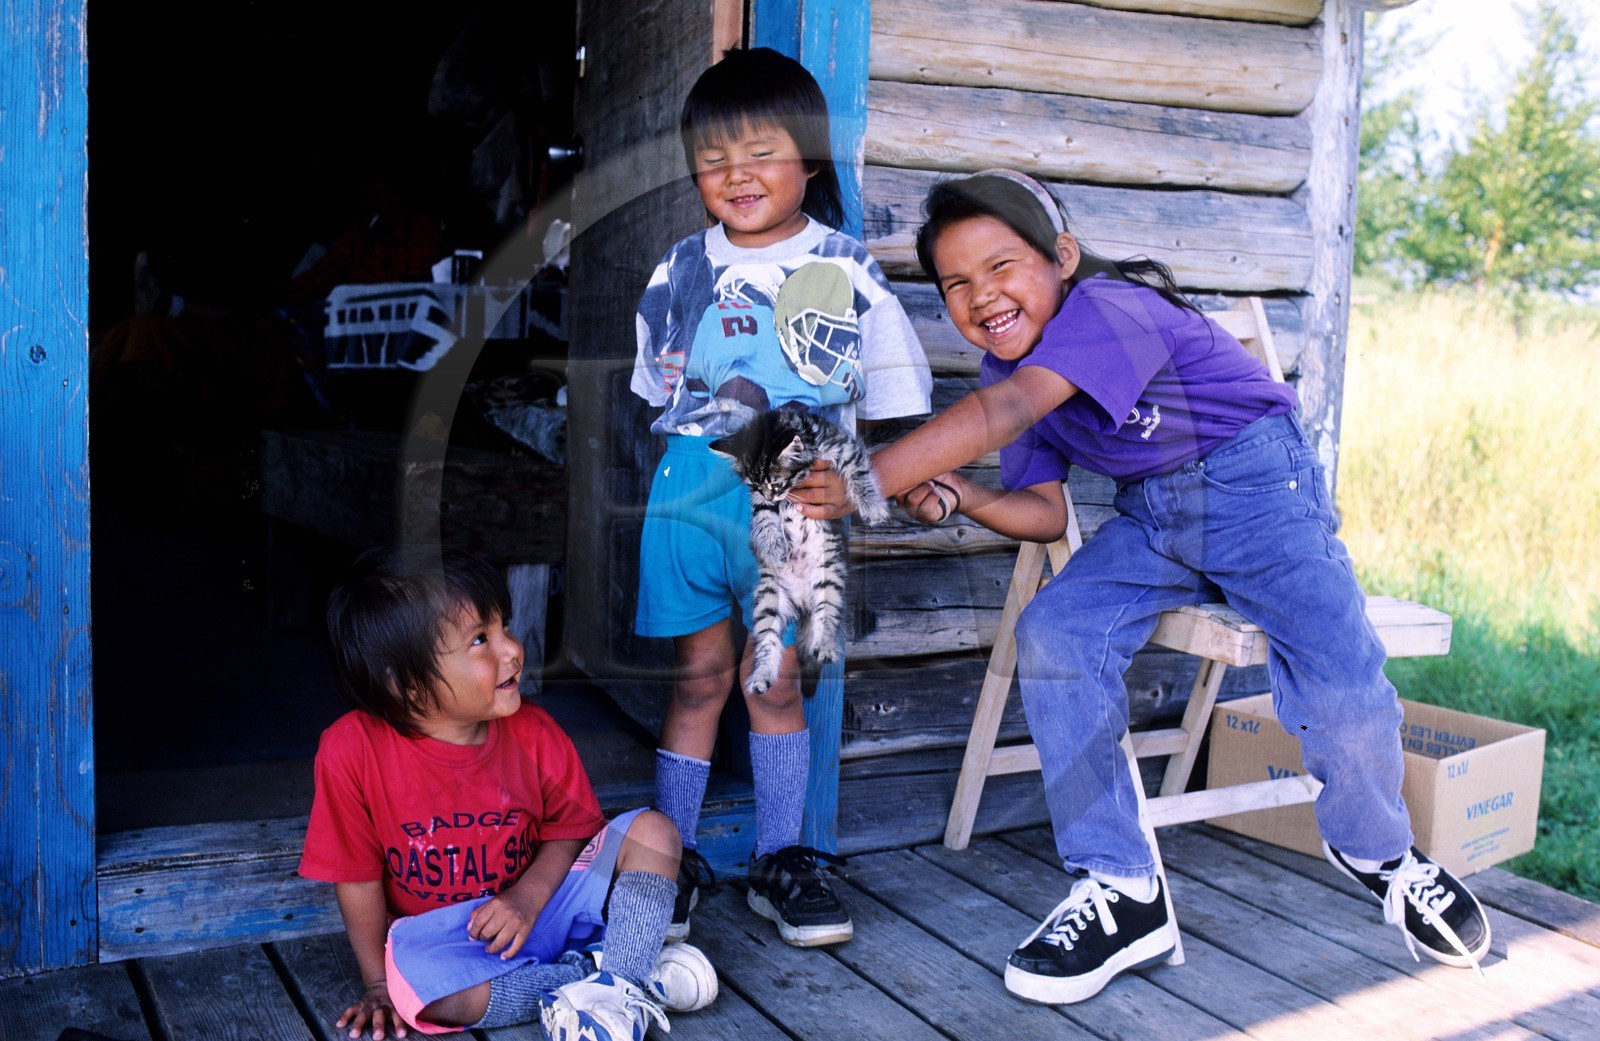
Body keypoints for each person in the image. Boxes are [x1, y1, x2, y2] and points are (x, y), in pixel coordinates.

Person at [792, 169, 1492, 1003]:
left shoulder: (1109, 308)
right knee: (1055, 633)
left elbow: (1003, 415)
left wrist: (863, 475)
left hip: (1259, 492)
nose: (983, 295)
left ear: (1063, 257)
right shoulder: (1005, 372)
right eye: (957, 283)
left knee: (1339, 674)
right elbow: (1046, 513)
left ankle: (1381, 849)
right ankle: (1123, 883)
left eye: (1003, 265)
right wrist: (965, 493)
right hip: (1154, 518)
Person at [630, 47, 932, 947]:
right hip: (688, 494)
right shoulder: (677, 268)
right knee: (698, 677)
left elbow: (895, 399)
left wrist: (854, 475)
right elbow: (659, 392)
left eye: (761, 152)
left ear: (809, 159)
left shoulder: (846, 268)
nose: (737, 175)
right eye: (715, 158)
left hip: (790, 505)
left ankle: (780, 857)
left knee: (774, 679)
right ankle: (670, 857)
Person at [299, 546, 717, 1041]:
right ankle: (616, 974)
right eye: (480, 639)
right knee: (418, 993)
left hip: (546, 904)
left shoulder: (534, 732)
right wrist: (376, 984)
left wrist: (526, 897)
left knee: (653, 832)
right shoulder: (351, 752)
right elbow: (356, 875)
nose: (512, 648)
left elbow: (572, 832)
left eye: (504, 627)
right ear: (406, 685)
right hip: (456, 941)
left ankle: (619, 983)